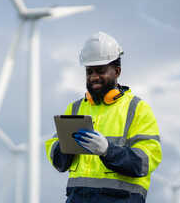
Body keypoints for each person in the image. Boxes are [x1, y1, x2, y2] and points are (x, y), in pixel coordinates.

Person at [45, 31, 162, 203]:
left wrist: (108, 151)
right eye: (89, 71)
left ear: (117, 71)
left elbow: (146, 161)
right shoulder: (75, 108)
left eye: (100, 71)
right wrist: (66, 147)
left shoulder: (137, 109)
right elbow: (58, 162)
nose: (94, 77)